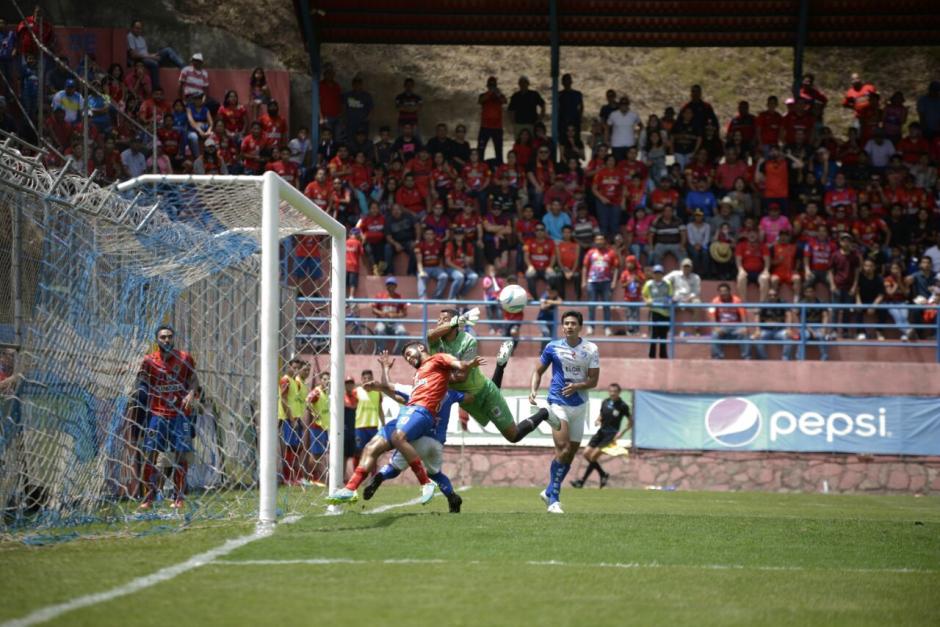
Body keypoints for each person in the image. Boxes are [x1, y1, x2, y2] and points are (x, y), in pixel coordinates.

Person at [327, 342, 484, 504]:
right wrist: (383, 375)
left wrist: (470, 365)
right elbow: (392, 390)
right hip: (412, 416)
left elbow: (458, 367)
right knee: (371, 447)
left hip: (422, 413)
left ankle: (425, 482)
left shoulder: (438, 362)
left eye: (409, 353)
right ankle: (350, 489)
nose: (408, 358)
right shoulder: (418, 378)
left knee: (397, 440)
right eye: (406, 357)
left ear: (421, 348)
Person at [362, 352, 467, 512]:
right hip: (436, 442)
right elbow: (471, 398)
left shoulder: (418, 391)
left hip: (418, 439)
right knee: (435, 473)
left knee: (394, 467)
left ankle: (379, 477)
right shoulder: (452, 394)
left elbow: (389, 386)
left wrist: (385, 368)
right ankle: (451, 496)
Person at [427, 308, 551, 443]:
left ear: (455, 324)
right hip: (467, 400)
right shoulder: (434, 339)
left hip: (484, 393)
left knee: (513, 436)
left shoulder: (468, 341)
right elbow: (430, 336)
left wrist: (439, 377)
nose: (439, 322)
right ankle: (500, 365)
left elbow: (461, 376)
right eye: (438, 320)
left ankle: (544, 412)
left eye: (444, 320)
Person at [529, 310, 600, 514]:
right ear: (562, 326)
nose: (569, 326)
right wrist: (534, 389)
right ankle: (554, 500)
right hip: (557, 402)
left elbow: (594, 381)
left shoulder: (591, 349)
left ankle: (549, 489)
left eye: (573, 323)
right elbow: (538, 371)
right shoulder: (553, 347)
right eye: (566, 323)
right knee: (563, 447)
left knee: (570, 454)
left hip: (580, 404)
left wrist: (577, 386)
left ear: (580, 326)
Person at [137, 326, 198, 510]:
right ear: (157, 340)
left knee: (181, 455)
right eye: (163, 337)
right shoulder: (148, 361)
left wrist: (191, 393)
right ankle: (149, 497)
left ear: (174, 338)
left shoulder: (185, 358)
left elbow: (194, 379)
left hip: (181, 415)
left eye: (170, 337)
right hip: (157, 414)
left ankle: (178, 497)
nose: (167, 340)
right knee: (150, 455)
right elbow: (141, 381)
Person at [571, 383, 631, 489]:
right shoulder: (605, 402)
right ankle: (603, 474)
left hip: (610, 435)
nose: (612, 393)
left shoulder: (623, 406)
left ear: (619, 392)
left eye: (615, 391)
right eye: (610, 391)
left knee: (593, 457)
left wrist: (622, 432)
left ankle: (581, 482)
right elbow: (601, 415)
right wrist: (598, 420)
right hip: (601, 432)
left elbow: (631, 422)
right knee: (586, 453)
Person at [126, 20, 184, 91]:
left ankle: (184, 68)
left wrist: (153, 55)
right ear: (132, 28)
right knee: (154, 64)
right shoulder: (130, 37)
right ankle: (156, 89)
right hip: (139, 60)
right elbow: (133, 55)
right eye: (136, 28)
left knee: (168, 50)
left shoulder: (141, 38)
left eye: (140, 28)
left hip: (147, 57)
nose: (138, 30)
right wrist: (151, 57)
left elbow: (145, 53)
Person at [581, 233, 619, 336]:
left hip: (606, 282)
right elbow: (585, 267)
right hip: (592, 282)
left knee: (606, 305)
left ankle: (607, 327)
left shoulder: (611, 253)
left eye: (601, 239)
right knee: (591, 305)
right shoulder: (590, 252)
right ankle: (590, 327)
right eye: (597, 240)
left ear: (604, 241)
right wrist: (583, 281)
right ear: (595, 241)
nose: (599, 241)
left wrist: (614, 281)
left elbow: (616, 268)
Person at [278, 358, 307, 486]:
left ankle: (297, 476)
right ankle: (288, 477)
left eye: (298, 368)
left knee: (297, 448)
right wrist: (290, 418)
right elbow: (283, 399)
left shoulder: (296, 382)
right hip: (288, 418)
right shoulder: (285, 380)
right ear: (289, 366)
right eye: (293, 368)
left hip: (296, 418)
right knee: (290, 447)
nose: (295, 370)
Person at [784, 284, 830, 361]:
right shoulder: (801, 303)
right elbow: (798, 317)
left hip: (818, 326)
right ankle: (799, 358)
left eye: (811, 291)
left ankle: (824, 358)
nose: (809, 293)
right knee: (803, 335)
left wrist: (824, 328)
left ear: (814, 292)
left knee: (822, 335)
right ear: (804, 293)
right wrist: (810, 330)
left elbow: (825, 316)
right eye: (807, 292)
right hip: (805, 327)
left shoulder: (821, 302)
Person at [709, 282, 751, 360]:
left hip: (736, 326)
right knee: (714, 335)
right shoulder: (715, 301)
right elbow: (712, 315)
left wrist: (744, 327)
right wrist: (716, 327)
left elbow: (743, 314)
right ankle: (717, 358)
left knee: (745, 334)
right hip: (722, 326)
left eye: (725, 291)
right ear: (719, 292)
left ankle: (746, 357)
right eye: (721, 291)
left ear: (729, 291)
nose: (723, 293)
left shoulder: (737, 300)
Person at [352, 369, 384, 469]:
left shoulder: (378, 393)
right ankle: (355, 475)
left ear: (373, 379)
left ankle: (373, 476)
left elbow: (380, 409)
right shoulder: (356, 391)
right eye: (365, 378)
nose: (367, 380)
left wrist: (384, 424)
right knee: (358, 451)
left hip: (373, 427)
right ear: (362, 380)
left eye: (369, 378)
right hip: (359, 427)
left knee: (373, 452)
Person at [666, 258, 703, 335]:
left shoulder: (696, 277)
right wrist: (670, 294)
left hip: (690, 299)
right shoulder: (674, 274)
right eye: (684, 266)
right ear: (681, 267)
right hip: (676, 297)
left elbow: (696, 291)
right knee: (668, 303)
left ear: (691, 268)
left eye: (688, 266)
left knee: (697, 303)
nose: (686, 268)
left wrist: (689, 298)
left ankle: (696, 329)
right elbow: (664, 281)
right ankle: (669, 329)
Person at [372, 277, 409, 355]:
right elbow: (373, 309)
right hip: (382, 321)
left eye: (392, 285)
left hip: (395, 322)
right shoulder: (380, 295)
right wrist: (381, 313)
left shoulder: (399, 297)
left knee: (403, 332)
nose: (390, 286)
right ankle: (382, 353)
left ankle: (397, 354)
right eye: (389, 284)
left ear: (396, 286)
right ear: (386, 286)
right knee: (379, 330)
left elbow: (405, 313)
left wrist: (395, 315)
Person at [642, 265, 672, 358]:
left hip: (666, 313)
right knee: (653, 336)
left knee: (664, 336)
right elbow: (644, 295)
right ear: (653, 274)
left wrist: (669, 300)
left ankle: (663, 356)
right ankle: (652, 356)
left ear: (662, 274)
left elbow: (670, 295)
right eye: (656, 273)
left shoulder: (667, 283)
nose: (657, 275)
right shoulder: (649, 284)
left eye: (659, 273)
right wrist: (647, 301)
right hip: (654, 312)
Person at [754, 288, 790, 360]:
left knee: (789, 339)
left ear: (778, 296)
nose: (772, 297)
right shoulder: (763, 303)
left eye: (774, 295)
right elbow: (757, 315)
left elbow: (789, 314)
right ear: (768, 296)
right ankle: (763, 359)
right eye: (770, 295)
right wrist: (757, 330)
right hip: (766, 330)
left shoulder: (783, 303)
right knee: (756, 339)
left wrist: (788, 329)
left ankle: (785, 359)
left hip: (780, 330)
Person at [855, 258, 886, 340]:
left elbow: (881, 294)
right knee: (857, 309)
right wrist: (858, 302)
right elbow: (856, 291)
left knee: (884, 309)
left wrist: (874, 305)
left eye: (870, 266)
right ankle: (860, 332)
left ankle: (879, 331)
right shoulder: (860, 277)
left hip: (874, 301)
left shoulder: (879, 278)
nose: (868, 268)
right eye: (866, 266)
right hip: (863, 301)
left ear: (874, 267)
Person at [735, 229, 771, 302]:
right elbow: (738, 259)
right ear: (747, 235)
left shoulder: (763, 246)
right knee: (740, 278)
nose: (752, 235)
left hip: (759, 272)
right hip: (745, 271)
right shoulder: (741, 245)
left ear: (757, 235)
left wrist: (766, 270)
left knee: (764, 279)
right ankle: (743, 303)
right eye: (750, 233)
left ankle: (762, 304)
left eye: (754, 234)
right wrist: (740, 270)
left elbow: (767, 260)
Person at [478, 76, 506, 163]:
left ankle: (499, 167)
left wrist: (497, 94)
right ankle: (480, 165)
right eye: (490, 85)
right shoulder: (483, 95)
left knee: (498, 150)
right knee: (481, 149)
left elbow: (504, 101)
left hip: (497, 127)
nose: (492, 87)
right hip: (485, 127)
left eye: (493, 85)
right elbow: (480, 101)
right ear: (487, 86)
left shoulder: (500, 96)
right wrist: (490, 93)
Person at [415, 228, 447, 299]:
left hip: (436, 267)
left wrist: (441, 267)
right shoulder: (420, 245)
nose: (429, 236)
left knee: (444, 276)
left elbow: (442, 257)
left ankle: (436, 297)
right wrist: (421, 271)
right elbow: (419, 261)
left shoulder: (439, 244)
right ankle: (422, 299)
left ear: (434, 235)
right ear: (424, 235)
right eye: (427, 234)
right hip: (425, 267)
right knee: (421, 277)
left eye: (431, 234)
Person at [606, 96, 640, 161]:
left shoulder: (634, 115)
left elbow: (641, 126)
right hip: (616, 145)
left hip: (630, 144)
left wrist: (638, 138)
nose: (624, 106)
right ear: (619, 105)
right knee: (617, 166)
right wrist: (607, 140)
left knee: (630, 165)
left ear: (628, 104)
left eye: (626, 104)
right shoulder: (613, 114)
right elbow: (607, 127)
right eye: (622, 104)